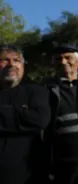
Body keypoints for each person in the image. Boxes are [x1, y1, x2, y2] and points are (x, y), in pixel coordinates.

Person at [0, 45, 51, 183]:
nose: (11, 64)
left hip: (28, 175)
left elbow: (39, 119)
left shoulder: (35, 91)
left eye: (16, 60)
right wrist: (21, 113)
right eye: (4, 60)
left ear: (23, 65)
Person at [44, 44, 78, 184]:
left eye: (68, 57)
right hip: (64, 162)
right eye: (58, 59)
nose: (63, 62)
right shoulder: (46, 90)